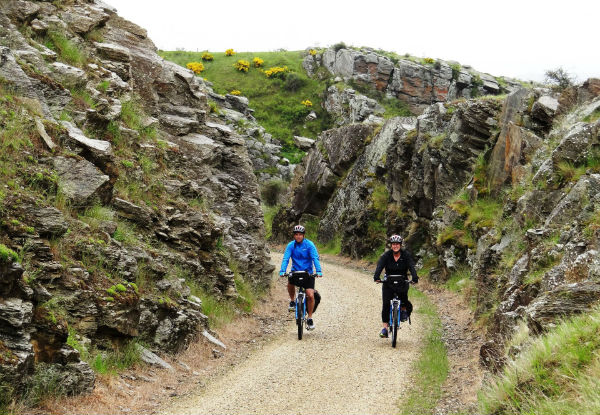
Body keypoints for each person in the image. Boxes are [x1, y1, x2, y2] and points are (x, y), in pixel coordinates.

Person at [373, 234, 418, 338]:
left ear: (400, 245)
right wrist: (376, 276)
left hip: (402, 281)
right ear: (391, 245)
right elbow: (380, 266)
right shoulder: (386, 255)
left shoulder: (405, 255)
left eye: (397, 244)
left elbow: (411, 266)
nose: (395, 246)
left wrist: (414, 278)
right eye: (393, 244)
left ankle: (403, 310)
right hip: (388, 282)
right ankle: (385, 328)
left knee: (404, 299)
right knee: (386, 304)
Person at [279, 225, 323, 330]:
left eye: (300, 235)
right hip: (296, 271)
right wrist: (282, 271)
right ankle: (293, 301)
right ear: (294, 235)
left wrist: (319, 271)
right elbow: (286, 258)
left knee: (310, 295)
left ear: (303, 235)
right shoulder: (290, 245)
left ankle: (310, 318)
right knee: (290, 283)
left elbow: (315, 258)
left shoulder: (309, 245)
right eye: (296, 234)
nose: (298, 236)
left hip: (308, 273)